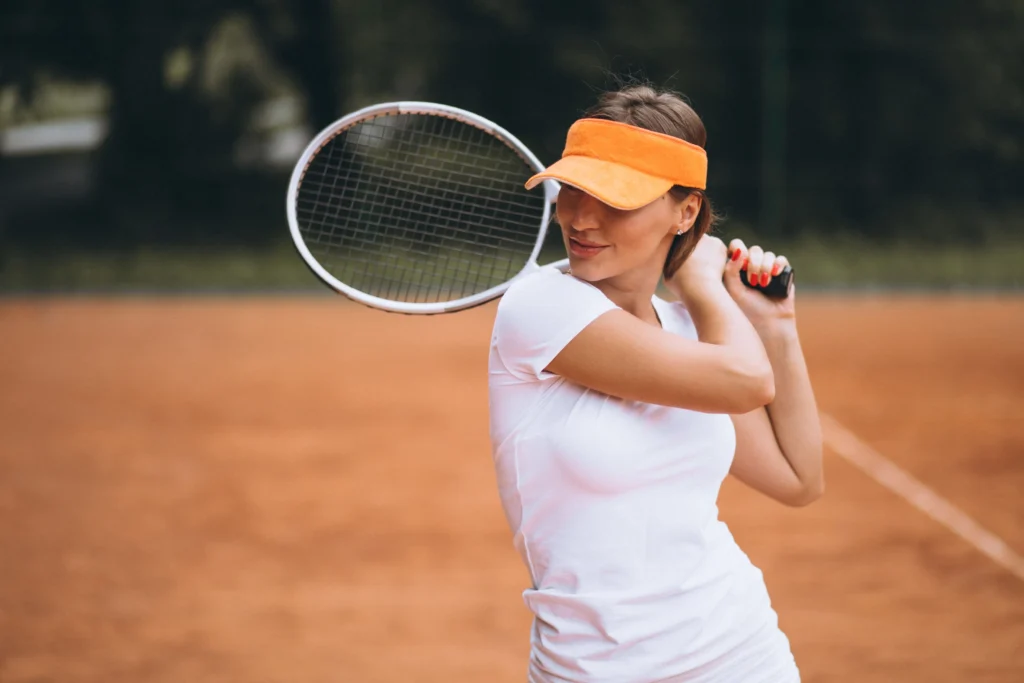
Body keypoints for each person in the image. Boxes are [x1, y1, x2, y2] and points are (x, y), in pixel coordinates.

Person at [487, 85, 824, 682]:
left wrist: (777, 325)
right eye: (574, 189)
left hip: (742, 653)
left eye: (615, 200)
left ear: (685, 212)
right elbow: (747, 381)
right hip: (595, 669)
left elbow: (798, 479)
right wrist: (703, 286)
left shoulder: (692, 331)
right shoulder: (540, 307)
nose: (581, 218)